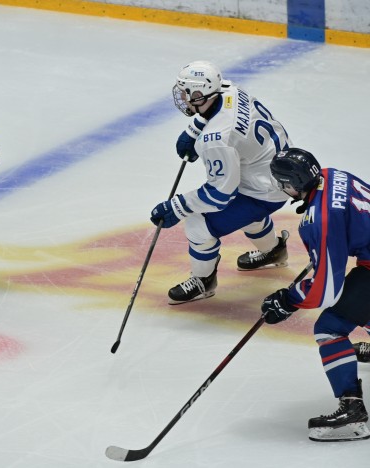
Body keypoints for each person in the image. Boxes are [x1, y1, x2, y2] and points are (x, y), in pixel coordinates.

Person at [150, 60, 291, 304]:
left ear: (199, 94)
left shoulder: (216, 140)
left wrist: (176, 207)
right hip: (277, 168)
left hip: (264, 188)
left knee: (197, 226)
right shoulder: (228, 89)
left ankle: (203, 281)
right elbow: (221, 111)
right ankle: (274, 250)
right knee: (248, 215)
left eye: (187, 92)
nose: (182, 97)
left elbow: (219, 194)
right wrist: (194, 129)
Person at [261, 147, 370, 442]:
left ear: (294, 183)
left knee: (330, 327)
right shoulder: (331, 175)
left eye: (282, 183)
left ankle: (353, 412)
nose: (281, 188)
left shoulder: (319, 218)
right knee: (360, 302)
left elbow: (325, 291)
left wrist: (288, 299)